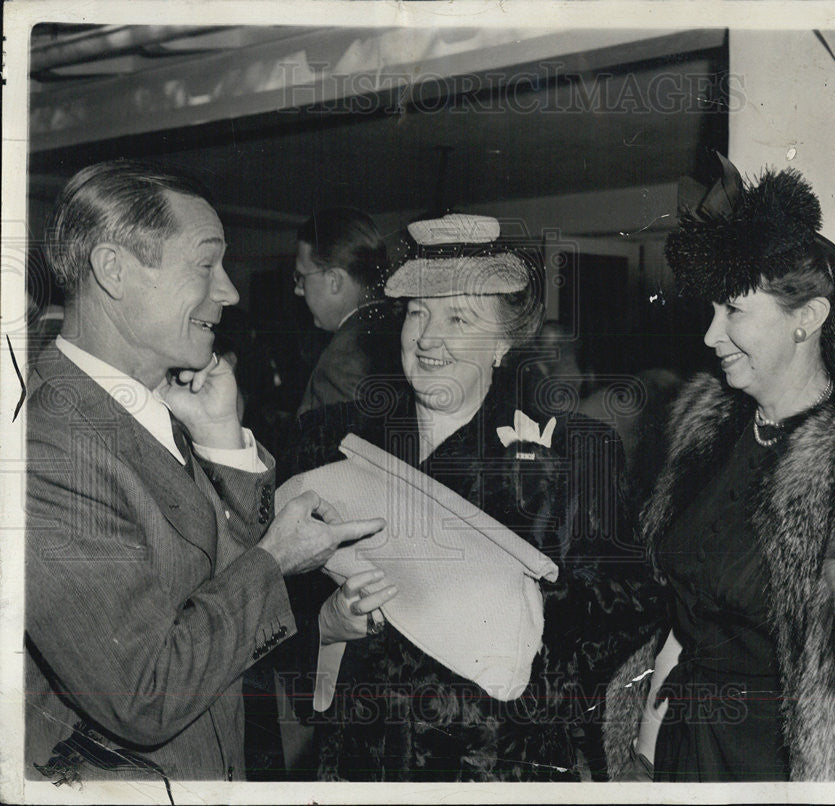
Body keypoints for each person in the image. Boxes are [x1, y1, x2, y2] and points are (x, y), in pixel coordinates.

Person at [24, 160, 385, 788]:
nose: (230, 291)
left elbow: (204, 587)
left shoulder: (136, 401)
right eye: (205, 263)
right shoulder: (46, 446)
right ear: (114, 271)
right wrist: (275, 559)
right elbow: (146, 693)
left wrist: (221, 443)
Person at [602, 158, 835, 782]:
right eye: (711, 311)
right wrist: (641, 751)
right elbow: (683, 627)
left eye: (734, 311)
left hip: (791, 765)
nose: (711, 335)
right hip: (688, 747)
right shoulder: (703, 430)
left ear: (809, 318)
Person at [282, 213, 657, 781]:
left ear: (503, 341)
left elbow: (627, 608)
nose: (428, 338)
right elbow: (271, 596)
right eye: (417, 313)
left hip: (497, 766)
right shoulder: (327, 441)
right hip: (363, 765)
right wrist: (325, 624)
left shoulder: (576, 452)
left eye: (458, 317)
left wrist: (513, 661)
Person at [294, 206, 402, 416]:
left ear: (334, 281)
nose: (297, 290)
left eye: (301, 277)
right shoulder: (398, 328)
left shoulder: (341, 363)